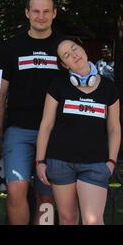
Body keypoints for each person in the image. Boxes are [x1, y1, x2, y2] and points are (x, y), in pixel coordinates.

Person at [0, 0, 63, 225]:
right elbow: (1, 95)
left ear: (54, 14)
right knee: (15, 189)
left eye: (46, 11)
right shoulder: (12, 47)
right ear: (27, 13)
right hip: (18, 130)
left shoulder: (64, 47)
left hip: (55, 133)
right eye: (35, 11)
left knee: (47, 195)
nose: (40, 16)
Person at [36, 39, 120, 225]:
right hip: (60, 163)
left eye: (74, 48)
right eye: (67, 55)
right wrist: (40, 161)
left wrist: (111, 161)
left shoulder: (108, 87)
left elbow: (114, 128)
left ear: (82, 48)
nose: (74, 54)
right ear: (65, 65)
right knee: (67, 219)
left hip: (95, 164)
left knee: (93, 220)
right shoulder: (58, 85)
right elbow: (46, 124)